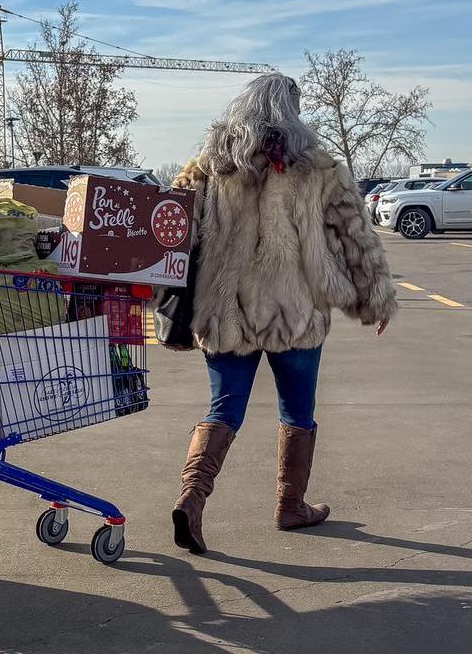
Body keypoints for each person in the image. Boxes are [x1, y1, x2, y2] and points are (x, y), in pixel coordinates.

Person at [167, 73, 396, 555]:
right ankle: (291, 506)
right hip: (295, 313)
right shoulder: (320, 168)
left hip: (226, 311)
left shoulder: (210, 165)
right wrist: (375, 297)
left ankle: (191, 499)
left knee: (224, 408)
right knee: (298, 410)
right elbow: (355, 235)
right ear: (294, 111)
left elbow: (169, 227)